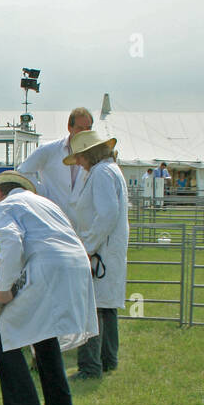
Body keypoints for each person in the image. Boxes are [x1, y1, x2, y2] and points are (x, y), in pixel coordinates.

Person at [0, 172, 97, 405]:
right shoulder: (46, 204)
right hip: (75, 266)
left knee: (5, 331)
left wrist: (4, 287)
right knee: (43, 331)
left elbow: (12, 244)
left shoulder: (6, 206)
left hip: (48, 268)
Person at [68, 131, 130, 380]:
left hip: (100, 251)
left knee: (91, 307)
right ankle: (108, 360)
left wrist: (88, 246)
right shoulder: (109, 170)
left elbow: (106, 214)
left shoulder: (102, 173)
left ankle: (90, 366)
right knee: (106, 307)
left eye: (81, 157)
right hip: (107, 249)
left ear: (90, 154)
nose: (79, 163)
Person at [16, 107, 94, 217]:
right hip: (53, 216)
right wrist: (43, 194)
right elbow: (23, 172)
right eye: (80, 128)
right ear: (69, 128)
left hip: (82, 222)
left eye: (88, 128)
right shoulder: (49, 149)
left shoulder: (94, 155)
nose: (84, 133)